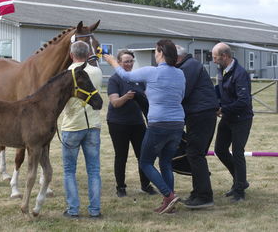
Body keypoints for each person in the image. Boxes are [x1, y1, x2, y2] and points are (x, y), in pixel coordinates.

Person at [104, 39, 185, 214]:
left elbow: (125, 76)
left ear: (161, 53)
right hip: (177, 123)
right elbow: (181, 95)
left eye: (155, 52)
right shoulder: (180, 74)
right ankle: (168, 202)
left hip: (159, 124)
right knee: (165, 162)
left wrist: (111, 61)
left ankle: (168, 195)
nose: (154, 55)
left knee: (146, 162)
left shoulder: (151, 72)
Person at [61, 40, 103, 218]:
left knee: (69, 171)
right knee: (93, 170)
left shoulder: (67, 74)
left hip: (72, 126)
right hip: (92, 125)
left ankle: (73, 209)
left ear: (71, 55)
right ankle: (94, 210)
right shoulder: (97, 71)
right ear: (87, 55)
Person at [107, 49, 156, 198]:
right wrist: (126, 97)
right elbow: (115, 103)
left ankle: (145, 185)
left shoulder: (139, 79)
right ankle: (121, 187)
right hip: (118, 123)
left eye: (131, 61)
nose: (129, 64)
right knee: (121, 155)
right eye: (126, 61)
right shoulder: (114, 80)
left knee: (143, 155)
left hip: (137, 122)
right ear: (119, 63)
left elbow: (147, 98)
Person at [175, 45, 219, 209]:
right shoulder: (189, 65)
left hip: (200, 115)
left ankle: (204, 196)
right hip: (200, 115)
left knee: (195, 154)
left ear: (177, 57)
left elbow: (182, 92)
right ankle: (198, 192)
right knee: (194, 154)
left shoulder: (189, 67)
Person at [212, 42, 253, 202]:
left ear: (225, 56)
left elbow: (244, 101)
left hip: (241, 119)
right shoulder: (222, 70)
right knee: (220, 150)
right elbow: (220, 89)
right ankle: (240, 181)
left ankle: (239, 192)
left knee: (237, 153)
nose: (214, 60)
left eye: (215, 57)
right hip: (228, 117)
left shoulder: (240, 73)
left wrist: (223, 110)